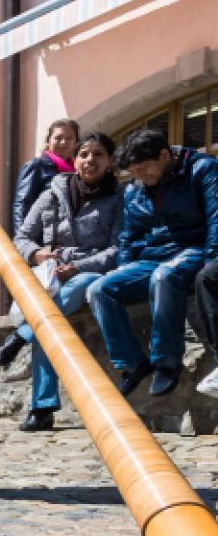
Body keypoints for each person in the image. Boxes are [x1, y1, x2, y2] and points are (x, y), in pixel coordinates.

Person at [0, 132, 121, 429]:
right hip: (51, 275)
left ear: (110, 161)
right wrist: (38, 254)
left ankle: (23, 337)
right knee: (49, 323)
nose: (90, 160)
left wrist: (78, 265)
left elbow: (118, 248)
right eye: (84, 154)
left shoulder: (120, 197)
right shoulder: (52, 192)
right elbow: (22, 237)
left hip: (91, 272)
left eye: (98, 154)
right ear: (75, 160)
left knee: (64, 302)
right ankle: (42, 407)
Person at [88, 128, 218, 397]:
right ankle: (132, 364)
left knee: (164, 276)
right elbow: (127, 236)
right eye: (133, 172)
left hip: (191, 248)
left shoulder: (203, 169)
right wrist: (123, 266)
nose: (139, 177)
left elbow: (216, 217)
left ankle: (166, 361)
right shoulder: (133, 189)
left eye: (144, 169)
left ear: (164, 155)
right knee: (99, 289)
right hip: (151, 256)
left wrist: (211, 261)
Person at [12, 119, 81, 232]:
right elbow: (21, 204)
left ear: (76, 142)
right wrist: (23, 240)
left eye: (69, 138)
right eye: (58, 138)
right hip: (38, 235)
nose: (63, 142)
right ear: (48, 141)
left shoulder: (77, 171)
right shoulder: (37, 165)